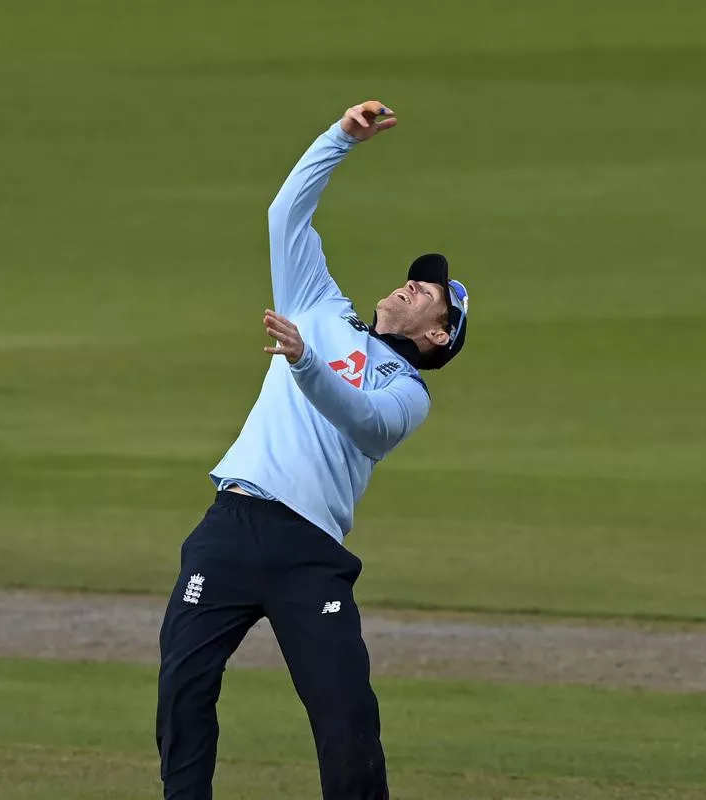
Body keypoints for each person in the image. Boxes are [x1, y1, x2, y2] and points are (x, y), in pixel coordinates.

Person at [156, 100, 469, 800]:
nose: (415, 282)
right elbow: (284, 215)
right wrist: (339, 139)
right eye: (419, 275)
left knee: (344, 711)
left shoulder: (409, 391)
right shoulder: (319, 304)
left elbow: (360, 418)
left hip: (309, 553)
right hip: (231, 527)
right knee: (183, 680)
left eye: (434, 292)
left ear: (439, 336)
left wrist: (304, 364)